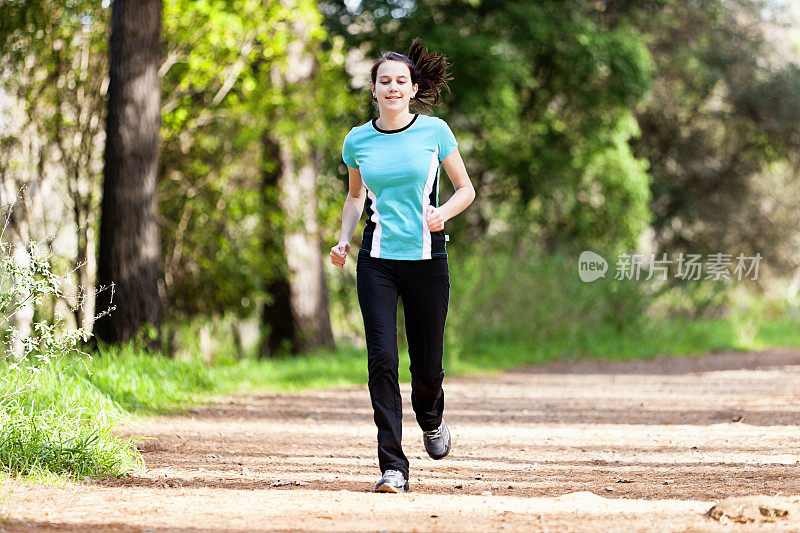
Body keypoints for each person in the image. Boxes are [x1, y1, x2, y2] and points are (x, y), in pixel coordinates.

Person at [330, 37, 476, 493]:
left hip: (426, 258)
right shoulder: (358, 140)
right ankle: (393, 465)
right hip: (377, 260)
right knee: (381, 360)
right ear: (373, 89)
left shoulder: (435, 132)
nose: (392, 88)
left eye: (400, 81)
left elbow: (465, 189)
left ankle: (431, 420)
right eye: (383, 81)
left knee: (427, 366)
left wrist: (442, 213)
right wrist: (341, 241)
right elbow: (356, 197)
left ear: (413, 89)